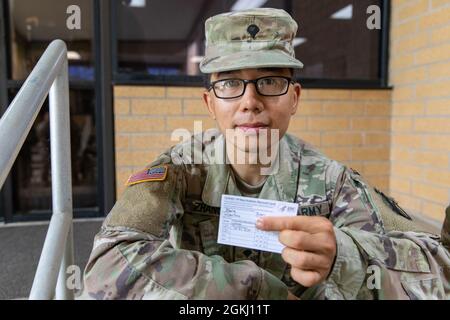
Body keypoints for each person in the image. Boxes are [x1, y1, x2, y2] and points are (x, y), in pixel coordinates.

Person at [82, 8, 450, 300]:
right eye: (230, 83)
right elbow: (106, 269)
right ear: (210, 103)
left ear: (294, 98)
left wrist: (344, 256)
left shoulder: (331, 180)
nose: (250, 102)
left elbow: (437, 268)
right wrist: (256, 289)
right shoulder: (181, 169)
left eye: (270, 81)